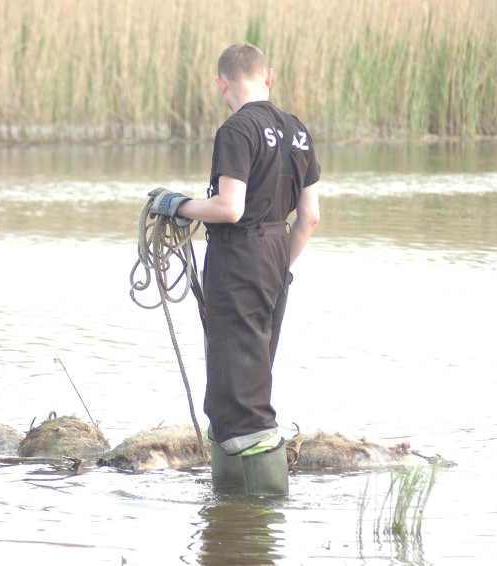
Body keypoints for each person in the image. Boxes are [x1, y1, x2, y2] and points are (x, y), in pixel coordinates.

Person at [149, 42, 320, 496]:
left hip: (238, 258)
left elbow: (229, 207)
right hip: (276, 254)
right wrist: (279, 265)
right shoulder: (297, 130)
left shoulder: (236, 129)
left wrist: (178, 206)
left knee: (238, 393)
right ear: (269, 76)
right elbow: (311, 217)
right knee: (248, 376)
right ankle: (232, 512)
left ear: (222, 83)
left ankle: (258, 510)